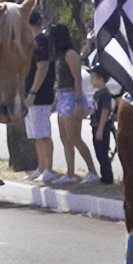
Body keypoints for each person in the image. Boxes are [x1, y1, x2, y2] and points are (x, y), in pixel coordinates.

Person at [50, 23, 98, 185]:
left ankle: (92, 171)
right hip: (62, 96)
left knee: (74, 137)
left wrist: (78, 101)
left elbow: (77, 78)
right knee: (64, 138)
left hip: (72, 95)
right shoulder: (59, 55)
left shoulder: (71, 54)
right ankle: (70, 173)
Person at [24, 10, 56, 182]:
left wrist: (33, 92)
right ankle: (41, 167)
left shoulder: (41, 41)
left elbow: (42, 67)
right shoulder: (33, 42)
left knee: (43, 134)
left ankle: (48, 168)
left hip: (40, 95)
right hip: (30, 95)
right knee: (36, 135)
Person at [88, 64, 115, 185]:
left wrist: (100, 129)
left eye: (93, 78)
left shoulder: (105, 94)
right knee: (98, 152)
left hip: (102, 127)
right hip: (95, 125)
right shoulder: (97, 94)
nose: (91, 81)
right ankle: (104, 175)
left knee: (103, 153)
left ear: (100, 79)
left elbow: (105, 112)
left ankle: (107, 177)